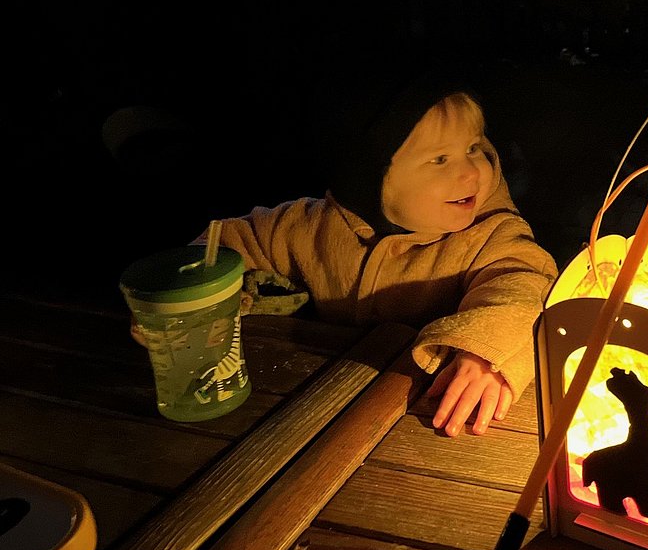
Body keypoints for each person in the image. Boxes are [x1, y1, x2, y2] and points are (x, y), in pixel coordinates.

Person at [200, 67, 558, 437]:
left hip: (425, 417)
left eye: (472, 148)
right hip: (305, 407)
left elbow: (524, 286)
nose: (471, 171)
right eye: (440, 159)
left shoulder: (491, 233)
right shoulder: (310, 226)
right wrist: (197, 303)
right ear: (367, 177)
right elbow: (219, 246)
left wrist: (484, 354)